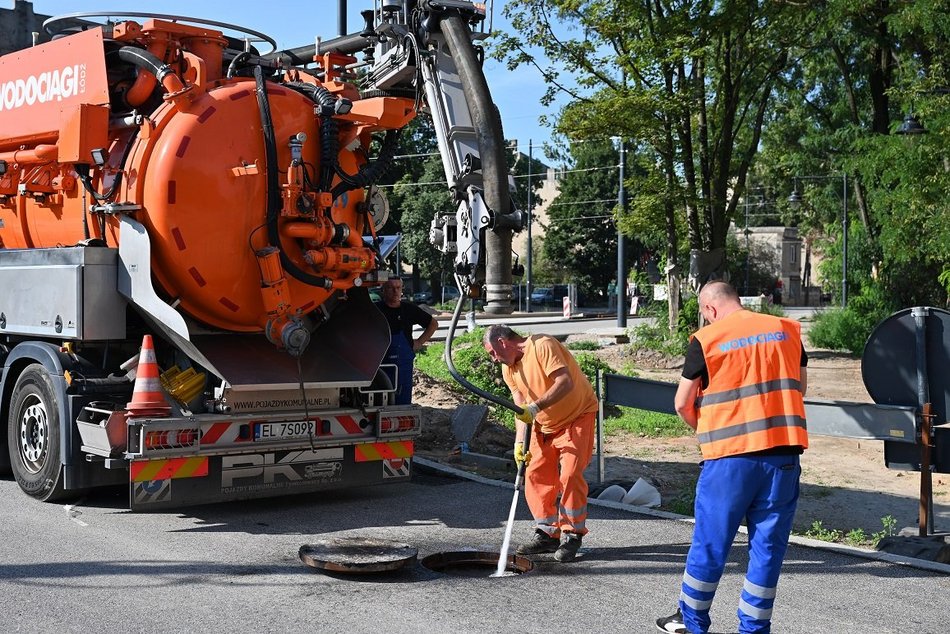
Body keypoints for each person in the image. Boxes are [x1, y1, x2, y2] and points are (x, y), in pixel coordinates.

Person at [656, 281, 808, 634]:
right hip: (783, 456)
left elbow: (682, 403)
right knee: (767, 549)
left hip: (729, 460)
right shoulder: (786, 330)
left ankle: (691, 622)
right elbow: (799, 387)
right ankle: (754, 628)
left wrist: (708, 428)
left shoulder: (707, 340)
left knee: (711, 543)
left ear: (710, 309)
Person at [482, 324, 599, 563]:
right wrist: (519, 442)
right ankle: (547, 532)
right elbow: (520, 408)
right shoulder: (509, 369)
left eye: (493, 352)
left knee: (570, 475)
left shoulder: (542, 345)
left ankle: (572, 534)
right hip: (542, 424)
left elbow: (564, 382)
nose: (494, 359)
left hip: (577, 416)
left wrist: (534, 408)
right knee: (535, 474)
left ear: (503, 342)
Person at [375, 277, 438, 405]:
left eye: (398, 288)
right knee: (378, 399)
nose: (395, 291)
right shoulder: (376, 310)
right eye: (391, 288)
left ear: (402, 289)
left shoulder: (409, 309)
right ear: (383, 290)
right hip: (379, 364)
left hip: (403, 366)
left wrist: (419, 342)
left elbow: (433, 324)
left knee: (402, 401)